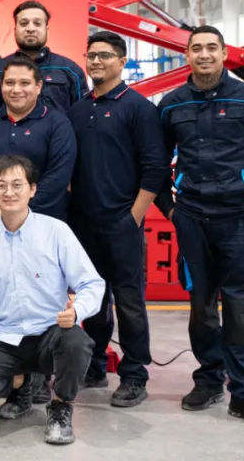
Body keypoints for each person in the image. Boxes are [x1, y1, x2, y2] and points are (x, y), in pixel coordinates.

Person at [154, 25, 244, 430]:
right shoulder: (172, 104)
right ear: (187, 56)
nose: (205, 54)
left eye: (212, 47)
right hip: (192, 219)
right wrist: (171, 211)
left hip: (240, 219)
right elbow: (157, 164)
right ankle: (209, 378)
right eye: (197, 48)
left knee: (241, 309)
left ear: (224, 53)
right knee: (201, 308)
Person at [0, 155, 104, 446]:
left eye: (18, 184)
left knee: (77, 342)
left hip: (50, 333)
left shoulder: (55, 231)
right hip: (5, 338)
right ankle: (23, 383)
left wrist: (78, 310)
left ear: (32, 189)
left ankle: (60, 406)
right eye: (1, 185)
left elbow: (92, 283)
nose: (9, 192)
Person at [68, 31, 170, 406]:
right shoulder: (78, 109)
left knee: (129, 301)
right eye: (91, 55)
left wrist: (134, 216)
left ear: (122, 61)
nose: (96, 62)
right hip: (82, 223)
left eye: (105, 56)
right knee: (92, 299)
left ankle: (134, 375)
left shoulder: (139, 108)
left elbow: (155, 167)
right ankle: (94, 366)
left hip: (122, 222)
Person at [0, 56, 76, 222]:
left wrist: (20, 213)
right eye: (10, 83)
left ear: (38, 87)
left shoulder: (58, 125)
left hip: (44, 224)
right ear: (1, 86)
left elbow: (58, 177)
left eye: (25, 83)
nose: (16, 90)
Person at [0, 1, 88, 116]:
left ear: (47, 30)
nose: (30, 29)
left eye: (37, 24)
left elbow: (82, 118)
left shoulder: (71, 70)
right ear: (15, 30)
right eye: (24, 24)